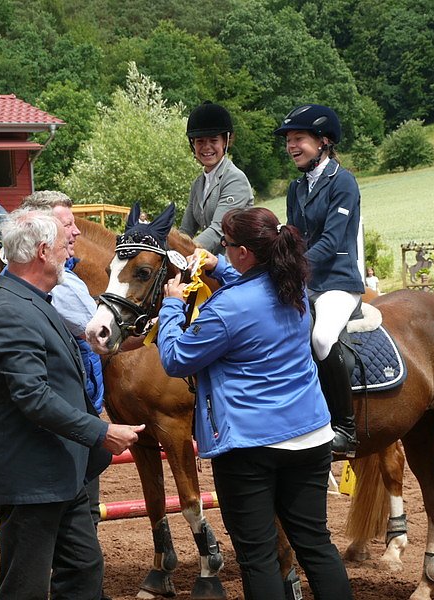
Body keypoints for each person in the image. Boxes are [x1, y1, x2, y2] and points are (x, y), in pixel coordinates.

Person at [157, 207, 353, 600]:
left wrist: (172, 305)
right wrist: (219, 266)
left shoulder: (226, 311)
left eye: (227, 247)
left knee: (258, 556)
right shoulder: (293, 285)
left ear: (244, 252)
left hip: (250, 447)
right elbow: (252, 290)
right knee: (315, 544)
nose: (225, 252)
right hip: (311, 436)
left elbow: (176, 359)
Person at [0, 209, 145, 599]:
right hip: (31, 479)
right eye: (61, 244)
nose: (70, 251)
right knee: (26, 587)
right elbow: (33, 397)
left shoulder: (35, 301)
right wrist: (100, 431)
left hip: (60, 475)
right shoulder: (10, 312)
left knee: (84, 570)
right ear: (40, 252)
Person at [19, 190, 111, 598]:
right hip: (65, 427)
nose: (76, 231)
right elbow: (98, 336)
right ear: (42, 237)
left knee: (83, 535)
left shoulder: (68, 277)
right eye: (67, 225)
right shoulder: (44, 289)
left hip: (83, 413)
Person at [274, 104, 365, 458]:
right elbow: (295, 235)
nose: (291, 146)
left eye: (299, 139)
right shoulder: (296, 188)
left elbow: (331, 240)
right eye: (289, 141)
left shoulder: (343, 181)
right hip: (306, 280)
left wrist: (293, 266)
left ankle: (345, 428)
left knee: (322, 338)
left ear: (323, 141)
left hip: (339, 282)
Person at [180, 101, 254, 255]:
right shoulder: (198, 184)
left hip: (234, 266)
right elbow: (186, 230)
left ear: (225, 141)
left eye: (213, 141)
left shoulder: (235, 179)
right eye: (200, 141)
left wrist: (184, 252)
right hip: (208, 263)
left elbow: (219, 229)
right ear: (193, 145)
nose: (206, 147)